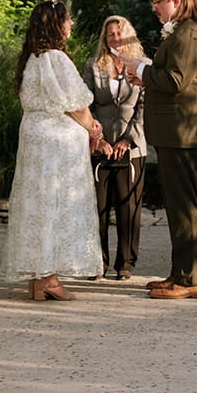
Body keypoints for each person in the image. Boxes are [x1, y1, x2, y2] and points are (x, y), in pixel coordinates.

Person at [0, 0, 105, 301]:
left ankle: (38, 276)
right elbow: (75, 103)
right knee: (56, 205)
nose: (71, 24)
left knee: (37, 204)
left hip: (34, 138)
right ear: (56, 25)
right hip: (55, 144)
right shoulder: (56, 59)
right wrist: (93, 128)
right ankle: (49, 278)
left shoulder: (31, 59)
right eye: (67, 20)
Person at [123, 0, 197, 300]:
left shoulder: (189, 33)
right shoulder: (182, 32)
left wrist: (143, 70)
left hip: (183, 134)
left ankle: (190, 280)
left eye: (158, 1)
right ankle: (181, 273)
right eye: (153, 2)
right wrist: (146, 73)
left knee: (185, 208)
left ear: (176, 0)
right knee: (177, 208)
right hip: (175, 133)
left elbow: (176, 80)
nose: (154, 8)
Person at [83, 15, 147, 279]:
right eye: (110, 34)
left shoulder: (144, 66)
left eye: (119, 33)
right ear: (104, 38)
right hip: (99, 146)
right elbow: (84, 103)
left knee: (128, 207)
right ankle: (98, 262)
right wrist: (96, 138)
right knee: (97, 207)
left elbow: (145, 107)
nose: (115, 38)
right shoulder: (92, 66)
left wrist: (127, 139)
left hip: (131, 147)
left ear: (128, 36)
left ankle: (126, 263)